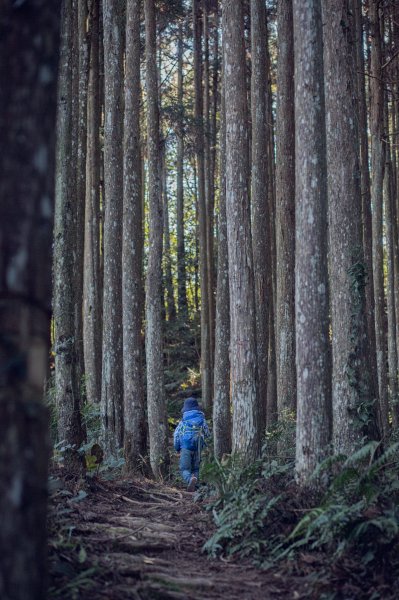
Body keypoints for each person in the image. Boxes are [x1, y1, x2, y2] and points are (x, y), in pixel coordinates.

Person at [173, 396, 210, 491]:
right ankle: (196, 486)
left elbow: (177, 435)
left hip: (185, 447)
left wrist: (177, 448)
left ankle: (190, 479)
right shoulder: (202, 419)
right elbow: (207, 434)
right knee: (196, 469)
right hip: (198, 448)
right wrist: (205, 446)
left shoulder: (183, 421)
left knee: (184, 469)